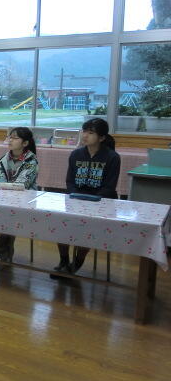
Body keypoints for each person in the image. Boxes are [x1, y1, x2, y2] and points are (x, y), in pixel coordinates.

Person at [54, 118, 120, 275]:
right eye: (84, 131)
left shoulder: (112, 157)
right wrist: (76, 196)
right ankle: (64, 260)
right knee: (61, 223)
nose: (85, 135)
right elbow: (70, 181)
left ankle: (77, 262)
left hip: (100, 203)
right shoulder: (76, 154)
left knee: (88, 230)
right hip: (76, 199)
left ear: (102, 138)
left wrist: (91, 201)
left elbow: (109, 187)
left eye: (90, 133)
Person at [0, 127, 39, 262]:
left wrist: (6, 187)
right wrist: (5, 188)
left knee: (10, 220)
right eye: (10, 137)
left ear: (25, 143)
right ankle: (5, 244)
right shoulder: (4, 159)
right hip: (5, 199)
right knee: (5, 217)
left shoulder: (31, 161)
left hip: (24, 201)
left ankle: (5, 243)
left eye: (15, 138)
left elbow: (22, 184)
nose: (10, 140)